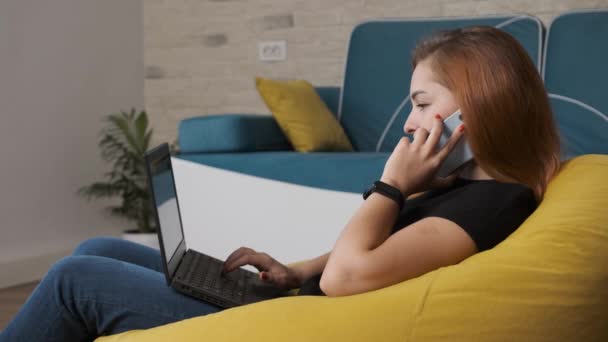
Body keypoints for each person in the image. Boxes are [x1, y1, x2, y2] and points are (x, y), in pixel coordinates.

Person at [0, 25, 561, 341]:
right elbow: (365, 261)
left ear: (476, 110)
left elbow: (349, 278)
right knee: (96, 248)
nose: (411, 122)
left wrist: (391, 184)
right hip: (294, 299)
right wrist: (297, 270)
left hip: (288, 327)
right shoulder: (462, 187)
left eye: (422, 104)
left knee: (76, 278)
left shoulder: (490, 205)